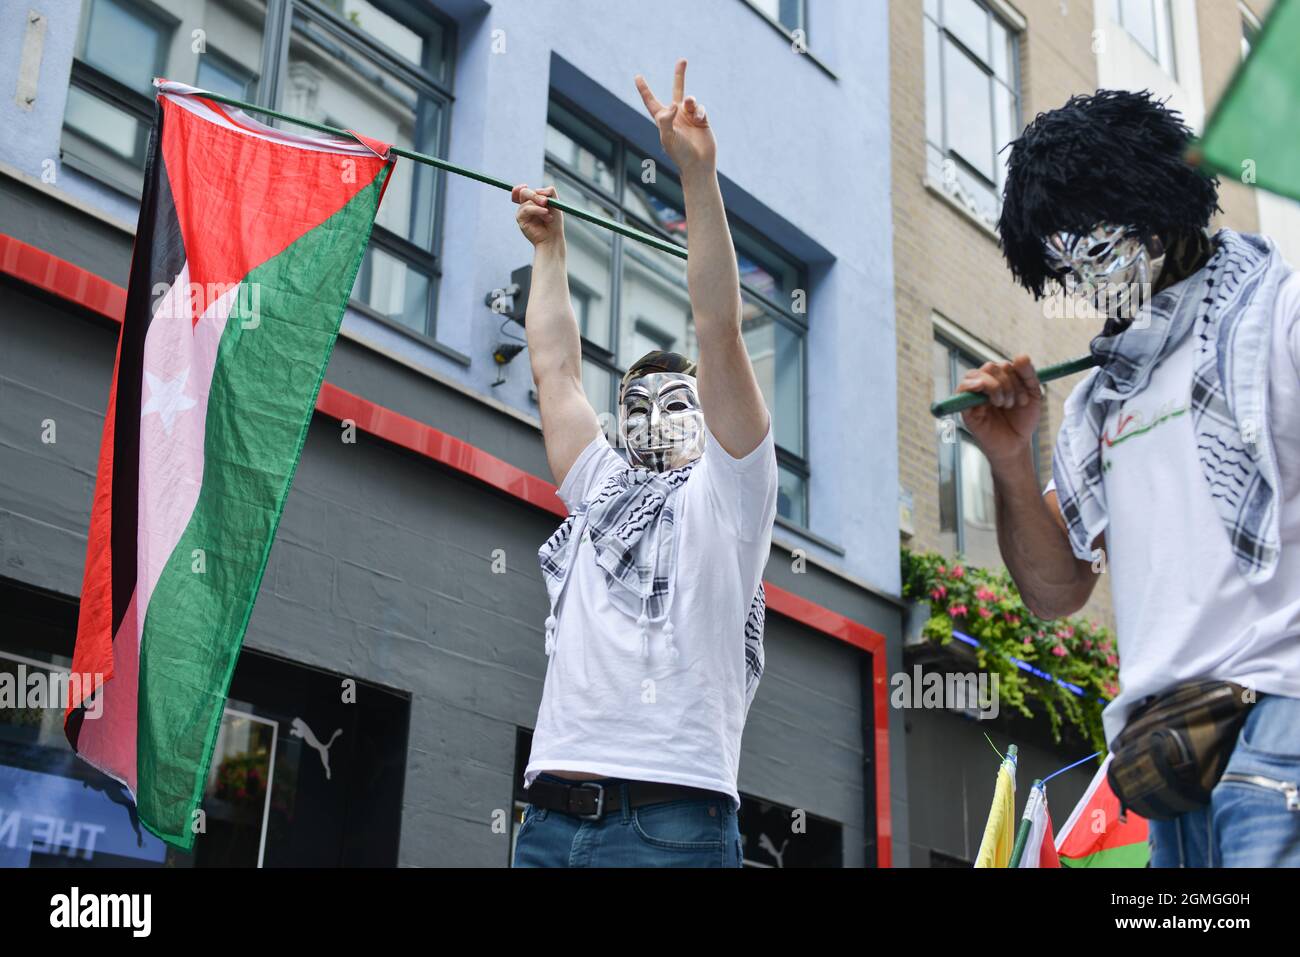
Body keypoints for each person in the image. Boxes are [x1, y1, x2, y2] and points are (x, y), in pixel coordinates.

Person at [958, 89, 1300, 867]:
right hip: (1164, 760)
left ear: (1158, 202)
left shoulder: (1279, 316)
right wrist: (1012, 457)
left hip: (1282, 722)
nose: (1088, 279)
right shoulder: (1098, 400)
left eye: (1099, 245)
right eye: (1066, 263)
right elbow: (1056, 592)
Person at [509, 60, 778, 868]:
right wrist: (550, 251)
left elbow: (717, 327)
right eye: (634, 407)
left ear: (705, 417)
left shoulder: (731, 495)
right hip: (550, 818)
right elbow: (556, 369)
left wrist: (697, 177)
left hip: (671, 823)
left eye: (673, 404)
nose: (651, 423)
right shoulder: (600, 492)